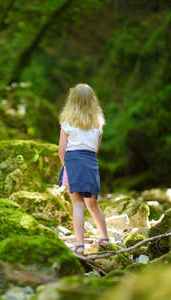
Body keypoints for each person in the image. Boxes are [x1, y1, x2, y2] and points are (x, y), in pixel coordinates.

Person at [57, 83, 109, 255]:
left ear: (72, 102)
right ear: (93, 102)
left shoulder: (67, 123)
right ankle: (105, 237)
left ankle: (79, 245)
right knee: (92, 204)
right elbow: (96, 149)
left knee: (77, 204)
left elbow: (61, 150)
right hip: (90, 162)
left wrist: (67, 168)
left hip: (73, 162)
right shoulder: (98, 125)